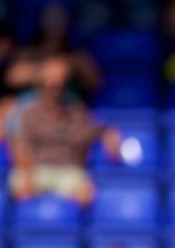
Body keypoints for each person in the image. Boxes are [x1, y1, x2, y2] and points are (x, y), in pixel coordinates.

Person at [10, 54, 119, 207]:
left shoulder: (76, 110)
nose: (55, 89)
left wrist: (109, 133)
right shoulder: (29, 113)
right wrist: (28, 176)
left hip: (69, 171)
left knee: (87, 193)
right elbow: (21, 148)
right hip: (37, 169)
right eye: (51, 84)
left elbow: (95, 129)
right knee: (21, 189)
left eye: (60, 84)